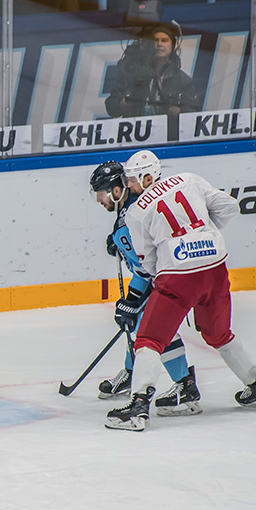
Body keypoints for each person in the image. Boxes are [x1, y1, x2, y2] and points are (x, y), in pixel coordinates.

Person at [105, 150, 256, 431]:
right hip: (215, 266)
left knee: (149, 339)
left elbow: (147, 263)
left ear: (148, 176)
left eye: (133, 181)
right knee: (219, 333)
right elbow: (230, 207)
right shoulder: (189, 179)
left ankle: (138, 407)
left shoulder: (137, 211)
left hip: (178, 276)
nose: (130, 187)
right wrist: (202, 233)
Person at [89, 159, 201, 416]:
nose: (98, 199)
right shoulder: (133, 209)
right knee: (139, 325)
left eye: (102, 193)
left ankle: (186, 386)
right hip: (175, 271)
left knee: (153, 328)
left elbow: (145, 270)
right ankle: (132, 373)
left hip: (167, 277)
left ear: (117, 191)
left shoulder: (127, 221)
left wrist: (131, 299)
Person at [105, 22, 199, 140]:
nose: (160, 44)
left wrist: (179, 112)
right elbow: (111, 106)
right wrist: (123, 103)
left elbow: (194, 112)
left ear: (173, 45)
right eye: (156, 40)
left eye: (164, 40)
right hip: (134, 140)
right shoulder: (132, 75)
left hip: (168, 139)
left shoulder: (182, 80)